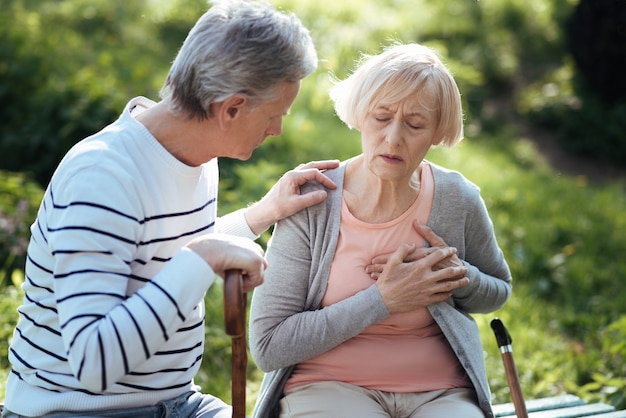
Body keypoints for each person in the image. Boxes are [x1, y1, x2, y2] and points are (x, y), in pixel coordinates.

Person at [3, 1, 339, 417]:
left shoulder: (194, 155)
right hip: (76, 409)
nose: (277, 130)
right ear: (230, 109)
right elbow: (94, 362)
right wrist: (206, 258)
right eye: (275, 114)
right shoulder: (102, 177)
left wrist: (262, 213)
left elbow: (159, 256)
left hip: (173, 402)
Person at [249, 42, 513, 418]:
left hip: (440, 391)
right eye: (381, 117)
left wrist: (455, 276)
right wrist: (384, 300)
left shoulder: (458, 198)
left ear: (437, 131)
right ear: (360, 114)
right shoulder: (311, 200)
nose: (393, 138)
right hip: (328, 386)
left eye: (415, 124)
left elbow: (498, 292)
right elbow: (269, 345)